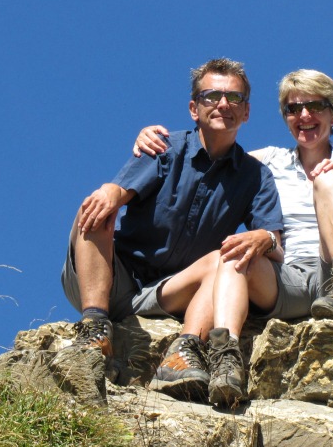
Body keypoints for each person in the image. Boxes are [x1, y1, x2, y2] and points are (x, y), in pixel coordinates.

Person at [54, 58, 283, 407]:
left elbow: (274, 242)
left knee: (224, 258)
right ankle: (95, 328)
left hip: (171, 291)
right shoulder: (164, 148)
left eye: (234, 98)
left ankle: (184, 352)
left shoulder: (255, 176)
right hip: (114, 277)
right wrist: (109, 191)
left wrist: (265, 239)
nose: (223, 104)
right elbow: (118, 192)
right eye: (212, 96)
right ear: (194, 108)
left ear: (246, 111)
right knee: (98, 205)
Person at [133, 68, 333, 329]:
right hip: (291, 278)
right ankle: (224, 346)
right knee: (234, 256)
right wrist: (159, 142)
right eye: (293, 109)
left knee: (328, 179)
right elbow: (216, 157)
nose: (304, 115)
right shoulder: (269, 161)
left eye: (315, 106)